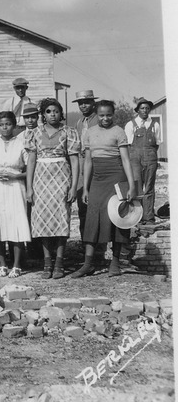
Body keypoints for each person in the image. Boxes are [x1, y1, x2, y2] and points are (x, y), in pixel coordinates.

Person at [75, 100, 137, 278]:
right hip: (97, 179)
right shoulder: (89, 133)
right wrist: (85, 188)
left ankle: (115, 263)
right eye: (101, 115)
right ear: (97, 114)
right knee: (92, 218)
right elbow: (87, 161)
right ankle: (88, 264)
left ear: (113, 114)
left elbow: (126, 160)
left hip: (116, 177)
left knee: (118, 217)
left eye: (108, 114)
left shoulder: (119, 131)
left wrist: (131, 186)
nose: (105, 118)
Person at [25, 98, 80, 279]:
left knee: (61, 220)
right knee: (42, 222)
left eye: (56, 111)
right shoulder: (34, 133)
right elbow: (31, 161)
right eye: (48, 111)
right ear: (43, 115)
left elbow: (74, 160)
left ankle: (59, 262)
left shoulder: (68, 132)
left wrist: (73, 187)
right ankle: (47, 263)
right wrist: (29, 188)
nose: (53, 115)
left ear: (61, 113)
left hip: (61, 179)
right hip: (41, 181)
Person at [0, 111, 31, 278]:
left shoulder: (21, 143)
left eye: (8, 124)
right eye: (2, 124)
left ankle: (17, 265)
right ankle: (3, 264)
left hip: (15, 186)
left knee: (16, 223)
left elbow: (31, 169)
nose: (5, 127)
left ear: (14, 125)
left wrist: (17, 176)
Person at [124, 97, 160, 224]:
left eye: (147, 108)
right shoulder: (130, 125)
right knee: (137, 187)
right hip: (135, 159)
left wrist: (150, 155)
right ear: (137, 110)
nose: (145, 110)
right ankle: (137, 217)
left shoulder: (155, 124)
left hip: (151, 158)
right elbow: (128, 146)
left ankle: (149, 217)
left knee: (149, 187)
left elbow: (157, 144)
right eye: (142, 108)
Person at [73, 90, 99, 238]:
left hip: (97, 163)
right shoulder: (79, 122)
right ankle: (85, 240)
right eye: (80, 103)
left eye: (87, 102)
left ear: (93, 103)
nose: (83, 105)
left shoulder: (99, 120)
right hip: (82, 162)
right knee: (82, 203)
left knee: (96, 202)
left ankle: (98, 242)